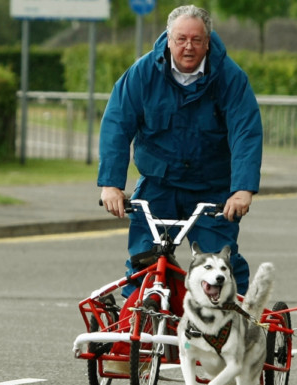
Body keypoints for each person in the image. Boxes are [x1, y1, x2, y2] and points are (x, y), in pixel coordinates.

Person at [97, 5, 263, 299]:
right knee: (145, 262)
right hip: (159, 185)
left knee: (218, 267)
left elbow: (246, 133)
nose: (189, 47)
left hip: (212, 188)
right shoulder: (142, 74)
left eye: (196, 40)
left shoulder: (231, 78)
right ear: (169, 39)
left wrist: (242, 190)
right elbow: (116, 125)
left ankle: (238, 324)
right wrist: (111, 185)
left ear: (208, 41)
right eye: (181, 39)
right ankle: (140, 321)